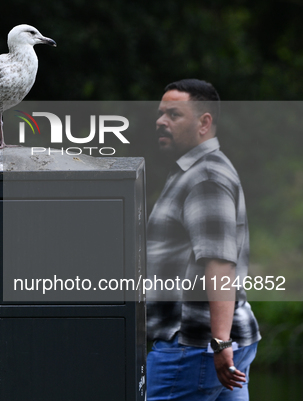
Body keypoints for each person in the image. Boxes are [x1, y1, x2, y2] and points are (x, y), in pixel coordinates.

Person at [145, 79, 261, 400]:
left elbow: (219, 263)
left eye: (173, 114)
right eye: (160, 114)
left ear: (204, 122)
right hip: (213, 344)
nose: (160, 121)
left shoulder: (205, 178)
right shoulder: (191, 171)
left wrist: (220, 343)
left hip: (194, 345)